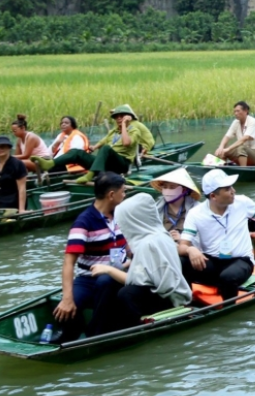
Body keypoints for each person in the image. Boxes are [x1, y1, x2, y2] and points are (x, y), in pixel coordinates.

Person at [179, 169, 255, 301]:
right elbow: (181, 247)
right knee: (181, 262)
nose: (233, 191)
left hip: (241, 260)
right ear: (213, 196)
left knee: (228, 277)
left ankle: (227, 308)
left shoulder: (242, 202)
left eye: (231, 187)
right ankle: (188, 302)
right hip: (213, 261)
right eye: (227, 189)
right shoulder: (196, 213)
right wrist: (191, 249)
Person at [94, 193, 192, 332]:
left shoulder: (149, 244)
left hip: (170, 300)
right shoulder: (156, 236)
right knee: (107, 283)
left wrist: (108, 269)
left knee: (126, 293)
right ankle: (104, 329)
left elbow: (134, 281)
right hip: (160, 291)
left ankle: (130, 331)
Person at [53, 172, 130, 338]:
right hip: (88, 279)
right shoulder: (84, 222)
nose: (124, 195)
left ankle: (95, 334)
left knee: (106, 281)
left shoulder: (123, 215)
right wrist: (67, 298)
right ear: (111, 195)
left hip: (118, 274)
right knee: (68, 306)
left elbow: (131, 247)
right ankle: (69, 337)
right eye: (123, 192)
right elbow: (68, 263)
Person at [36, 105, 153, 182]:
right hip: (108, 163)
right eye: (116, 117)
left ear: (129, 117)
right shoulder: (114, 130)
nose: (118, 119)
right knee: (77, 152)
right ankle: (50, 163)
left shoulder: (134, 130)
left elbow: (127, 143)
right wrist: (94, 147)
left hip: (122, 164)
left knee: (106, 149)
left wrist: (124, 125)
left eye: (121, 117)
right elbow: (105, 140)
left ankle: (90, 174)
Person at [150, 167, 201, 241]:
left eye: (172, 187)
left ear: (183, 189)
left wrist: (183, 240)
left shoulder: (197, 210)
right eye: (165, 187)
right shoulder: (155, 209)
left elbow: (203, 238)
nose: (167, 190)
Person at [0, 136, 28, 213]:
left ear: (9, 148)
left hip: (12, 202)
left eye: (3, 147)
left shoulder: (17, 164)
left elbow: (22, 189)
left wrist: (21, 209)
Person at [215, 102, 255, 166]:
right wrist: (221, 148)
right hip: (241, 153)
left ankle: (243, 170)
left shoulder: (253, 121)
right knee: (221, 151)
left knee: (241, 148)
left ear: (246, 111)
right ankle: (222, 170)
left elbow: (244, 139)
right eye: (234, 111)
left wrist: (228, 149)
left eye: (238, 111)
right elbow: (227, 136)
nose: (236, 113)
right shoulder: (236, 122)